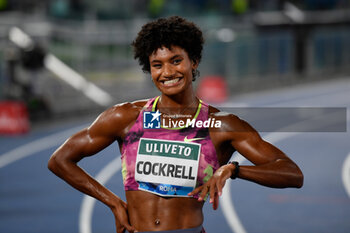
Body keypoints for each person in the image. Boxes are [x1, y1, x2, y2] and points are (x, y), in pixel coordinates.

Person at [48, 16, 303, 233]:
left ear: (194, 61)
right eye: (157, 65)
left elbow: (292, 174)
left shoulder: (222, 126)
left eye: (176, 60)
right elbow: (60, 160)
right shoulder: (125, 118)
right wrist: (113, 203)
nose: (167, 72)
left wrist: (233, 170)